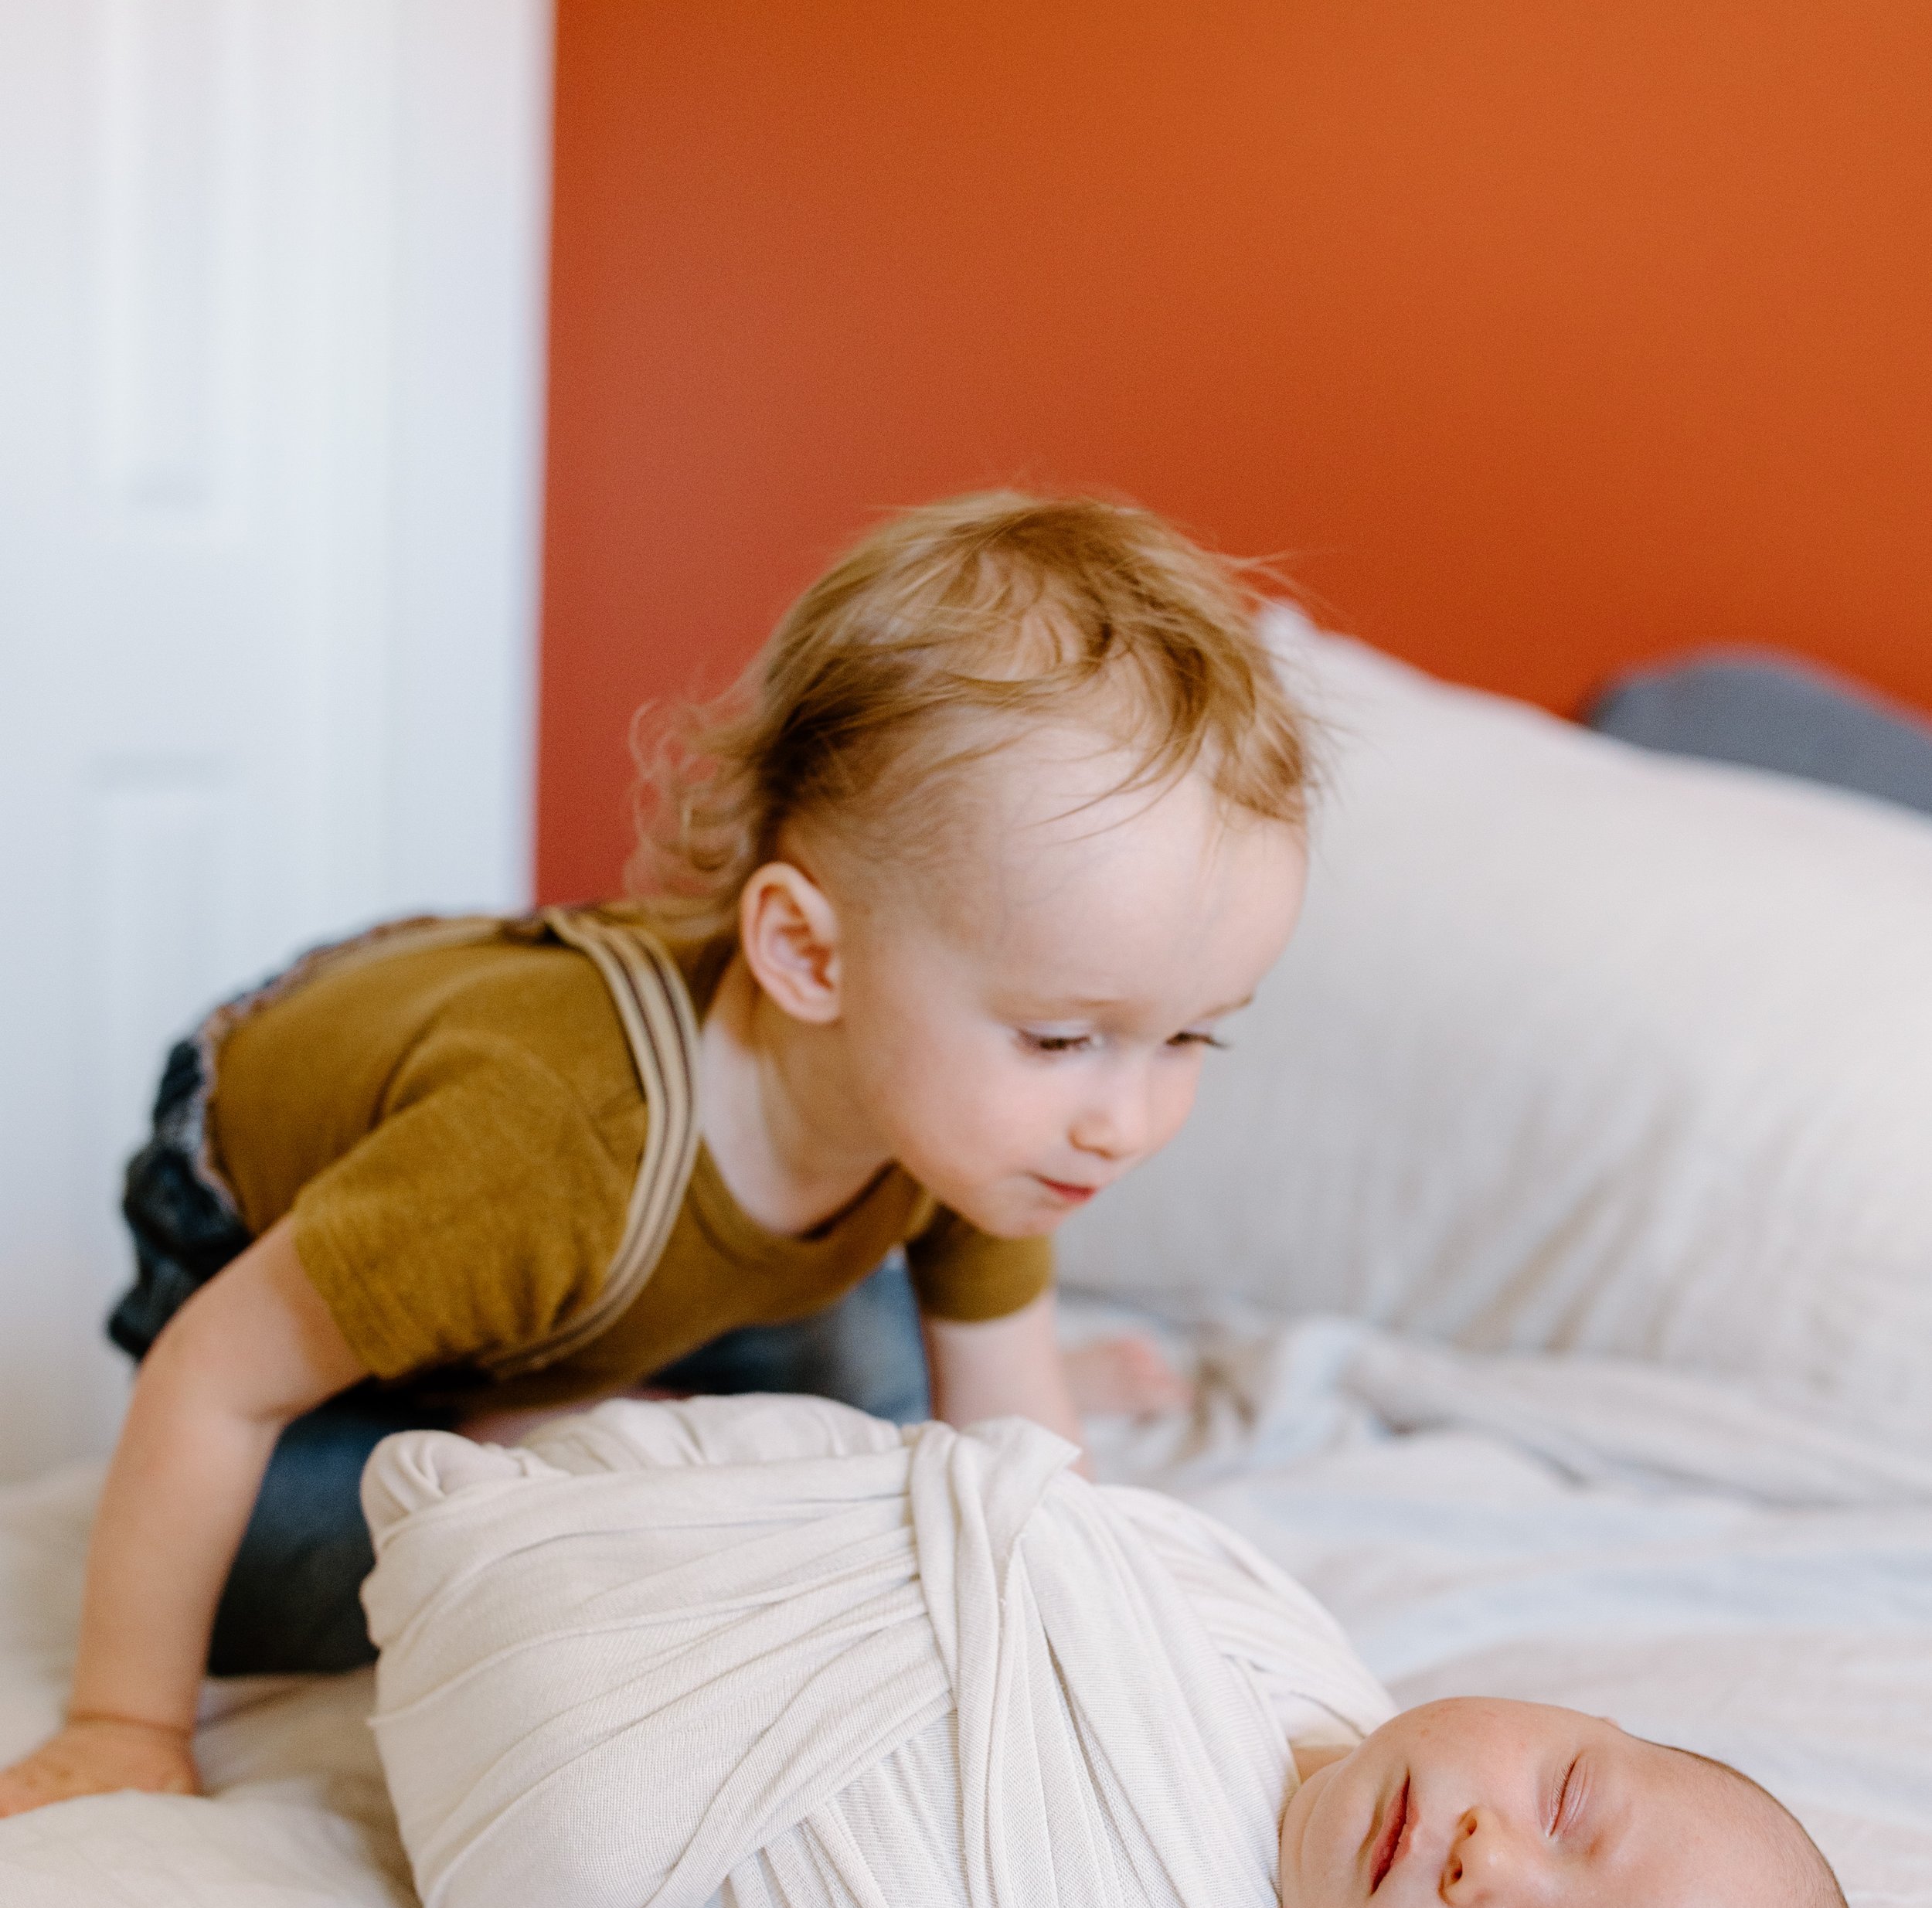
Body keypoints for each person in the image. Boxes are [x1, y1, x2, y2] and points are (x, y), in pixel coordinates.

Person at [0, 491, 1313, 1818]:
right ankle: (544, 1407)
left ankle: (586, 1389)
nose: (1125, 1121)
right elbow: (208, 1378)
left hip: (587, 1249)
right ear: (808, 954)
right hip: (287, 1212)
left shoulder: (986, 1127)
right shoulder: (543, 1148)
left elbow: (1027, 1468)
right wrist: (122, 1718)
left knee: (865, 1407)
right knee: (272, 1575)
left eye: (1192, 1036)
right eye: (1062, 1037)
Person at [360, 1393, 1870, 1908]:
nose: (1487, 1864)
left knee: (585, 1826)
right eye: (1565, 1800)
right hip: (707, 1578)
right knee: (867, 1458)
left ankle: (516, 1555)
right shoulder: (1305, 1668)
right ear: (1574, 1716)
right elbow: (1026, 1522)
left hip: (563, 1788)